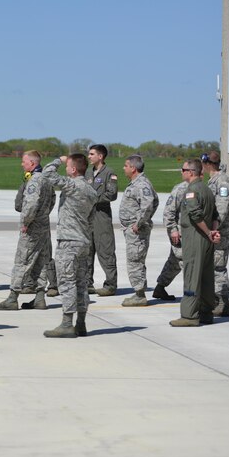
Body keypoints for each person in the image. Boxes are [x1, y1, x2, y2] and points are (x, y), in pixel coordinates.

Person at [40, 154, 98, 338]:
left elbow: (47, 175)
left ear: (73, 169)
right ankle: (81, 323)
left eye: (68, 167)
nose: (66, 169)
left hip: (68, 242)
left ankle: (67, 323)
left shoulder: (73, 185)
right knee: (81, 284)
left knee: (66, 282)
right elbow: (91, 220)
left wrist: (58, 160)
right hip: (83, 241)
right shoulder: (91, 191)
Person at [0, 150, 55, 311]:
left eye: (24, 161)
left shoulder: (35, 180)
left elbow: (31, 204)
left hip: (32, 227)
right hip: (43, 226)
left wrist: (27, 221)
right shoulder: (47, 179)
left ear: (32, 164)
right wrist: (43, 215)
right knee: (41, 261)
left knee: (22, 261)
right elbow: (52, 199)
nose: (22, 164)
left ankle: (13, 298)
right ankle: (40, 297)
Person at [170, 159, 220, 327]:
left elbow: (195, 214)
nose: (181, 172)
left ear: (191, 172)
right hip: (207, 241)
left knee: (191, 275)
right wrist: (213, 232)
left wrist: (207, 232)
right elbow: (215, 215)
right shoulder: (207, 189)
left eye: (183, 169)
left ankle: (190, 315)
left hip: (195, 237)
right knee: (206, 277)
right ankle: (206, 312)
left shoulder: (192, 190)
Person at [118, 154, 159, 307]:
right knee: (136, 260)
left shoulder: (141, 184)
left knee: (135, 261)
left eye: (126, 165)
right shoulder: (137, 183)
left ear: (133, 168)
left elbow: (149, 204)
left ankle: (139, 295)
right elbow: (155, 201)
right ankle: (139, 291)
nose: (124, 168)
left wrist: (139, 223)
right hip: (132, 230)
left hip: (137, 231)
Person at [203, 151, 229, 317]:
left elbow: (221, 208)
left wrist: (214, 229)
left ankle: (223, 303)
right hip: (214, 231)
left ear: (207, 163)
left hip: (220, 232)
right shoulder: (213, 180)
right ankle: (217, 301)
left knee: (218, 267)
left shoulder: (222, 181)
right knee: (214, 267)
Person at [86, 144, 120, 296]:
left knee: (106, 250)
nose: (89, 156)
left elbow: (112, 194)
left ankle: (110, 285)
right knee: (87, 251)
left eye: (92, 154)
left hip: (101, 217)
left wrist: (94, 198)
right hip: (88, 217)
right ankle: (87, 283)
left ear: (100, 156)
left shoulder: (109, 173)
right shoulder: (88, 172)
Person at [152, 177, 190, 301]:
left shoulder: (199, 187)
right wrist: (173, 230)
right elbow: (168, 212)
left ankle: (160, 287)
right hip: (180, 233)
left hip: (189, 233)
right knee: (187, 263)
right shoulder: (181, 189)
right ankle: (192, 295)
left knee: (174, 261)